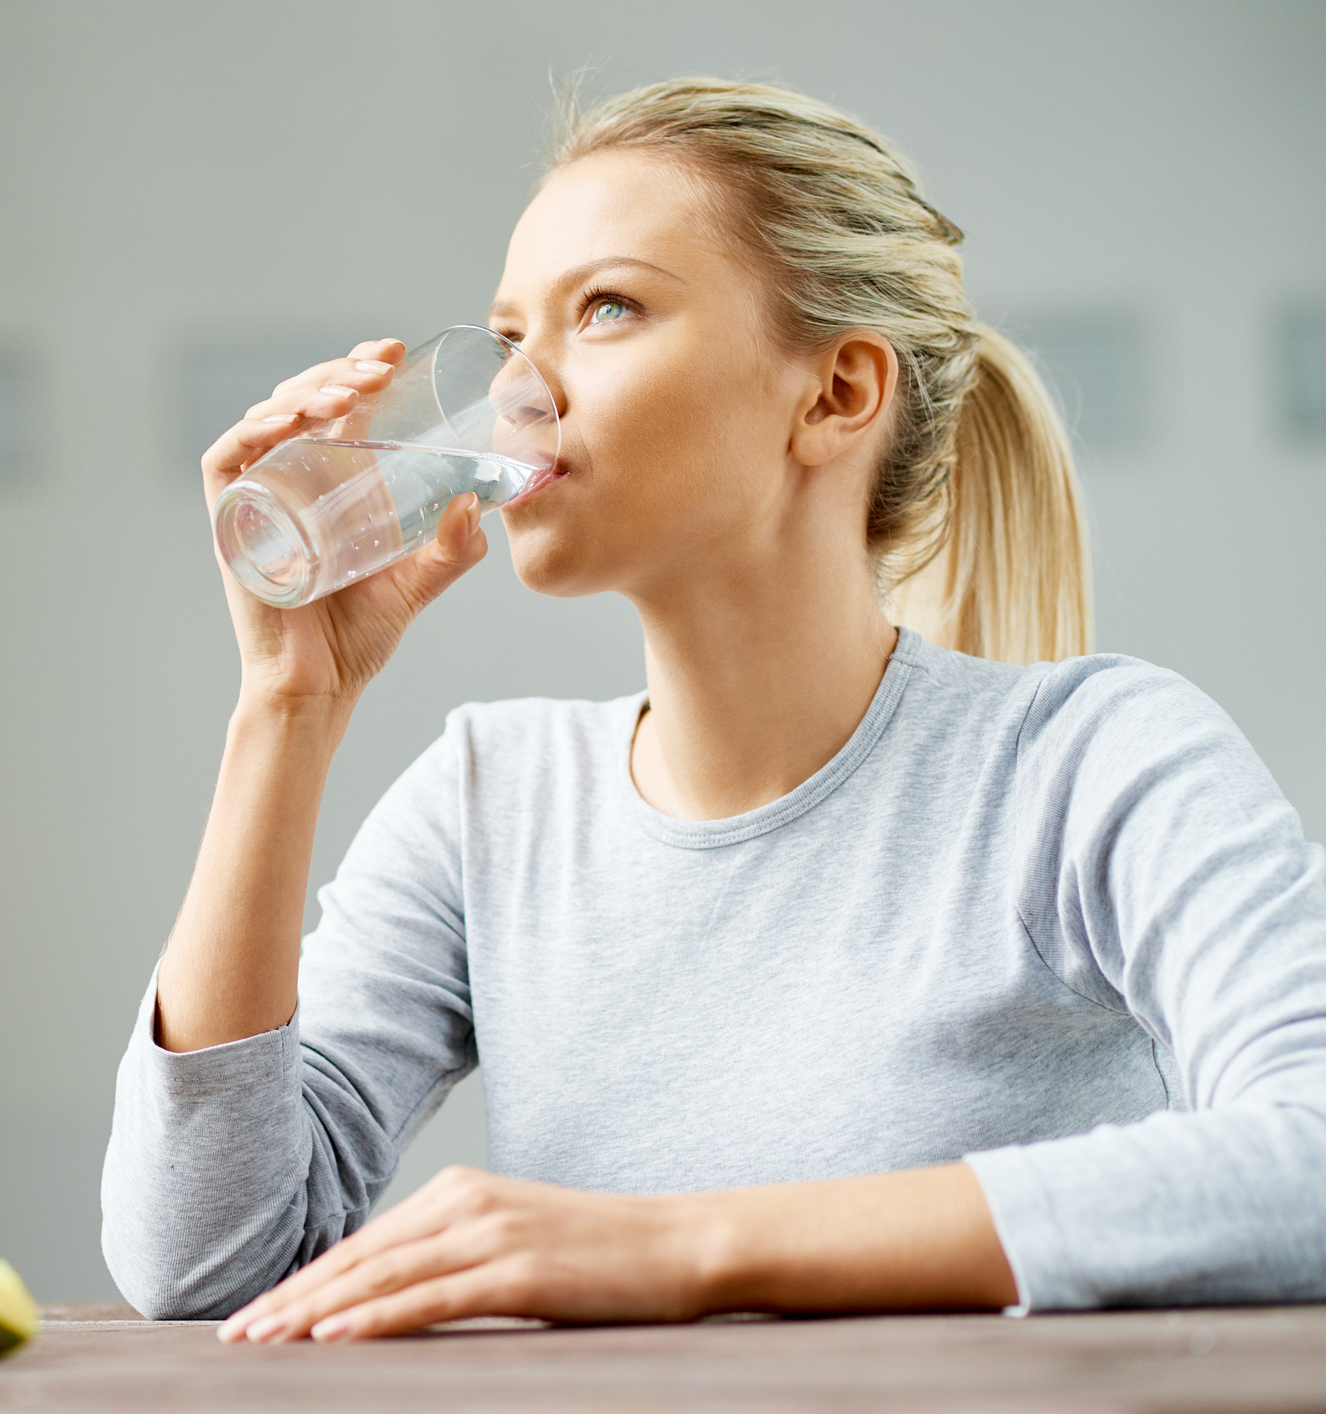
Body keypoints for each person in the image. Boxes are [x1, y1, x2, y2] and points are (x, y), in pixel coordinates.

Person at [101, 77, 1326, 1341]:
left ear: (837, 393)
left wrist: (690, 1246)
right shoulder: (487, 801)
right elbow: (201, 1264)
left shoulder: (1085, 765)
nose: (516, 397)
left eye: (607, 309)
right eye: (508, 338)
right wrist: (286, 705)